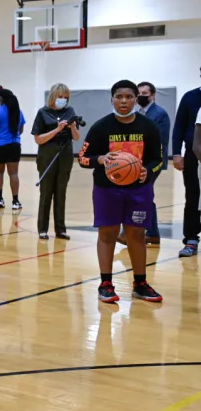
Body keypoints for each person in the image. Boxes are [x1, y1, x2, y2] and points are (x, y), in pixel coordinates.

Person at [77, 80, 163, 304]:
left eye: (128, 97)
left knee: (136, 235)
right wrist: (100, 159)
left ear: (136, 99)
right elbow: (82, 159)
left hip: (138, 191)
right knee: (107, 235)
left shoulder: (148, 127)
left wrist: (147, 171)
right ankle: (105, 283)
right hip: (107, 190)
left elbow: (158, 159)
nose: (124, 101)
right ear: (112, 99)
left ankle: (140, 284)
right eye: (119, 97)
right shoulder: (101, 127)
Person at [31, 83, 80, 240]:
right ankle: (43, 229)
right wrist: (57, 130)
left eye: (66, 97)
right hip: (47, 155)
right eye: (60, 97)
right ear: (53, 96)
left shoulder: (70, 111)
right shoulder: (42, 113)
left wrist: (72, 127)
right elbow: (38, 139)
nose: (63, 100)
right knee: (46, 193)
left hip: (65, 155)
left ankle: (61, 229)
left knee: (61, 192)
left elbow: (77, 137)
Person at [134, 82, 170, 246]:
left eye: (145, 93)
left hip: (153, 162)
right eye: (139, 93)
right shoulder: (137, 114)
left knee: (142, 193)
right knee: (144, 194)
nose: (141, 96)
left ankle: (133, 232)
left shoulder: (160, 114)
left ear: (153, 95)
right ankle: (152, 233)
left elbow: (160, 140)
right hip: (138, 161)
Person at [171, 79, 201, 257]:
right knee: (193, 197)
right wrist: (176, 153)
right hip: (193, 155)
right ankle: (191, 239)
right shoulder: (190, 97)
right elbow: (179, 126)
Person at [0, 88, 26, 211]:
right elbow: (20, 130)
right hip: (14, 145)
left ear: (1, 99)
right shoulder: (18, 112)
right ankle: (15, 201)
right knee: (13, 174)